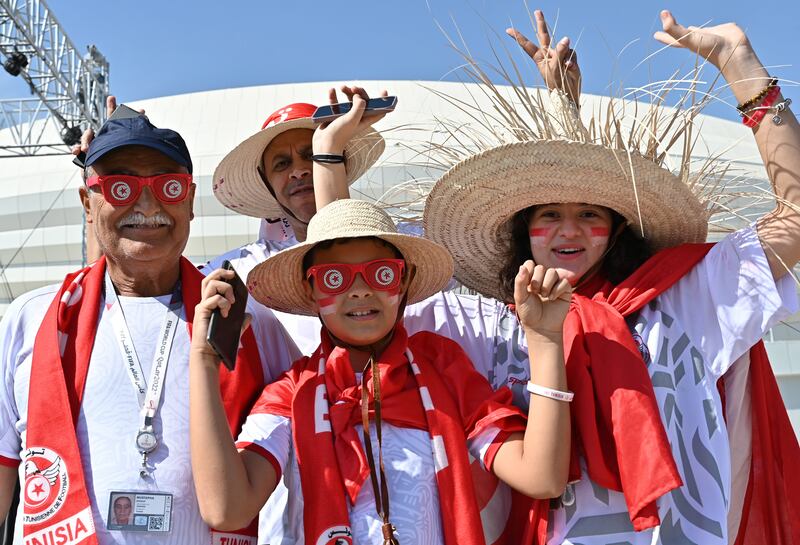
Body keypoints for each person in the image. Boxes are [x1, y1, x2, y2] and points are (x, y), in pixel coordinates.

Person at [416, 9, 800, 545]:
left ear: (618, 231)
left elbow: (796, 215)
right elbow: (362, 292)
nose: (568, 230)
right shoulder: (488, 328)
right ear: (521, 232)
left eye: (591, 215)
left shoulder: (681, 297)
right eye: (548, 214)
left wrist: (739, 63)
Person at [189, 199, 573, 544]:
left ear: (404, 280)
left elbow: (540, 477)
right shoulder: (292, 394)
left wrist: (545, 340)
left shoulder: (445, 369)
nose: (359, 291)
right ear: (311, 291)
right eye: (334, 278)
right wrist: (204, 362)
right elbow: (228, 510)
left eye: (381, 273)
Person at [0, 116, 299, 544]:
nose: (147, 206)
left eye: (167, 186)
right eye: (121, 187)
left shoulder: (249, 323)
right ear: (88, 203)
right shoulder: (33, 319)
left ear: (190, 200)